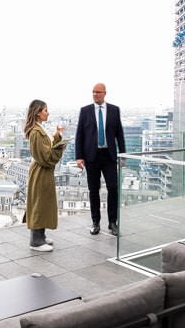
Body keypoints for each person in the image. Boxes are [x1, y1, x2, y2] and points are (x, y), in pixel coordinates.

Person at [75, 83, 125, 236]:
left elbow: (119, 134)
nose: (95, 94)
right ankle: (95, 222)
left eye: (98, 92)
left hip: (109, 156)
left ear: (105, 93)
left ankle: (112, 223)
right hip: (91, 157)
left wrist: (122, 154)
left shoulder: (114, 110)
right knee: (93, 190)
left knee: (113, 188)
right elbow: (79, 135)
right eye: (93, 92)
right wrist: (79, 157)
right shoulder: (85, 111)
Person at [23, 99, 66, 252]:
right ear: (38, 112)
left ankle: (40, 236)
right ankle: (35, 241)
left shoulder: (39, 129)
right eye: (46, 110)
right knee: (39, 203)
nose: (48, 113)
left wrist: (58, 136)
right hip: (41, 171)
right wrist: (59, 148)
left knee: (43, 202)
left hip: (42, 171)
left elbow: (46, 150)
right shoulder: (36, 132)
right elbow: (46, 157)